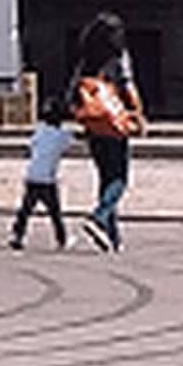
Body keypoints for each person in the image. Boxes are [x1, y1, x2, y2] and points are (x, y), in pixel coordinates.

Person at [70, 14, 145, 250]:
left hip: (94, 124)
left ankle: (112, 238)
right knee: (120, 178)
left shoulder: (87, 58)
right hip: (114, 120)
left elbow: (74, 89)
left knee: (105, 178)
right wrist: (137, 113)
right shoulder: (118, 57)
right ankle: (99, 217)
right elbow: (127, 84)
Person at [10, 95, 74, 248]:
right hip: (47, 179)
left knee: (25, 209)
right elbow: (69, 144)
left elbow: (32, 146)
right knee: (55, 212)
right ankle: (62, 239)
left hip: (32, 175)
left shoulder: (39, 130)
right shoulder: (63, 135)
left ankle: (18, 235)